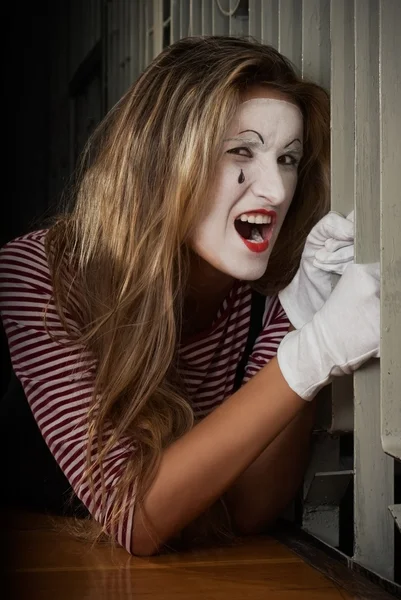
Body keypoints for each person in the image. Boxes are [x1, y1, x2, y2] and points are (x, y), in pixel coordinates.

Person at [0, 36, 379, 556]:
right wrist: (317, 353)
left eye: (287, 158)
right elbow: (132, 516)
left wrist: (303, 323)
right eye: (241, 151)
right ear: (161, 163)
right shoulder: (40, 273)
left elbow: (249, 508)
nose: (275, 190)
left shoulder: (262, 295)